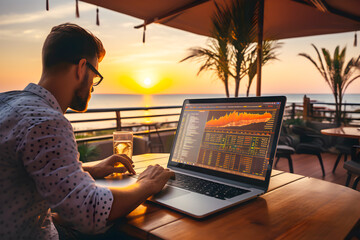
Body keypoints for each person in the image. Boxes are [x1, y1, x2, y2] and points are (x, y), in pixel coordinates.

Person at [0, 23, 174, 240]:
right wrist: (147, 184)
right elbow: (91, 211)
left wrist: (90, 169)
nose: (92, 86)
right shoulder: (46, 122)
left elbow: (31, 172)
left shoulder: (8, 102)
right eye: (95, 76)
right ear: (82, 67)